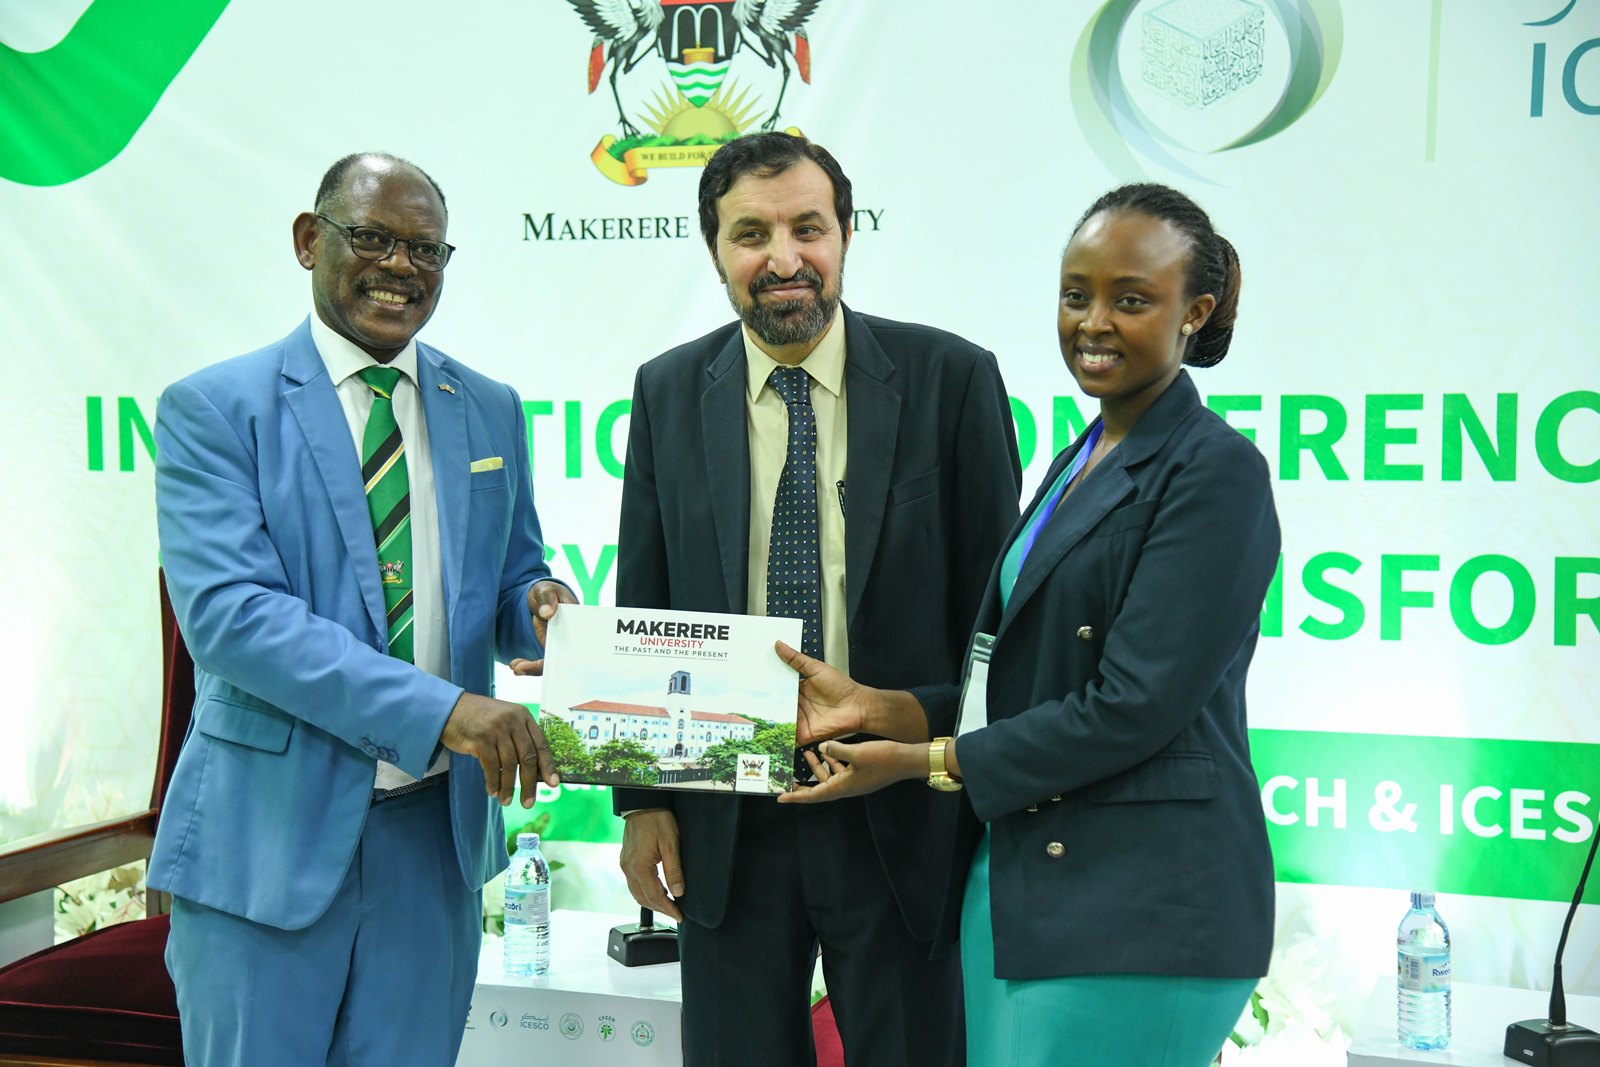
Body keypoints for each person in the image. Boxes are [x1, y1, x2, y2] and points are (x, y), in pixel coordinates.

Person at [776, 182, 1279, 1066]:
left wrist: (920, 761)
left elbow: (1131, 706)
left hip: (1139, 912)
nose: (1093, 321)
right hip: (1030, 890)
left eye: (1131, 299)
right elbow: (1018, 673)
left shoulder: (1216, 473)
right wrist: (881, 706)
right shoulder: (1081, 456)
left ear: (1194, 313)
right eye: (1075, 293)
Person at [150, 152, 574, 1067]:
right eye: (372, 237)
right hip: (266, 842)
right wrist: (446, 711)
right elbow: (232, 618)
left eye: (426, 249)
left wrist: (534, 607)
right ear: (310, 241)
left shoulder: (490, 408)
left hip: (434, 846)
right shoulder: (216, 409)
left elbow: (511, 575)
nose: (402, 267)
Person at [611, 132, 1022, 1066]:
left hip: (900, 813)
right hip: (725, 819)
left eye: (808, 228)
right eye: (750, 234)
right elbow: (650, 595)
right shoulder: (668, 390)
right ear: (714, 249)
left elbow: (997, 624)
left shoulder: (950, 379)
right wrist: (642, 801)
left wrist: (946, 750)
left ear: (845, 236)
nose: (783, 258)